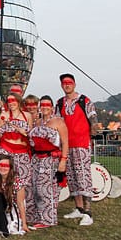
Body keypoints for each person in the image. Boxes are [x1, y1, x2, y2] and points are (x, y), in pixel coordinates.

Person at [56, 73, 97, 226]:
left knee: (83, 176)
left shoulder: (84, 100)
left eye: (69, 82)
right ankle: (78, 208)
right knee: (72, 177)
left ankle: (88, 212)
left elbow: (93, 118)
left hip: (81, 143)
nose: (67, 85)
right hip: (67, 145)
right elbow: (57, 121)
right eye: (64, 83)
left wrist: (92, 131)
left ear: (74, 84)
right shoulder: (60, 103)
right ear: (61, 85)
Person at [29, 96, 69, 229]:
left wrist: (63, 161)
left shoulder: (58, 121)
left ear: (52, 107)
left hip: (51, 159)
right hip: (37, 159)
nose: (45, 107)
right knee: (36, 188)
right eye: (42, 104)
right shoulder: (38, 122)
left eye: (47, 105)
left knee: (47, 189)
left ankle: (49, 219)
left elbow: (65, 142)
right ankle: (38, 216)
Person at [0, 92, 34, 224]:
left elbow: (31, 135)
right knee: (4, 179)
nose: (11, 103)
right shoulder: (4, 115)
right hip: (6, 149)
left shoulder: (27, 115)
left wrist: (25, 132)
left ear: (18, 101)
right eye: (9, 101)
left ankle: (25, 214)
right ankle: (5, 211)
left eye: (14, 101)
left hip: (22, 151)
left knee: (24, 181)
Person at [0, 154, 29, 237]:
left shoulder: (17, 181)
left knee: (13, 229)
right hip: (1, 205)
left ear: (10, 167)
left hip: (13, 207)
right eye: (0, 165)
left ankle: (4, 229)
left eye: (6, 165)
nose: (2, 168)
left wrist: (24, 224)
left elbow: (21, 204)